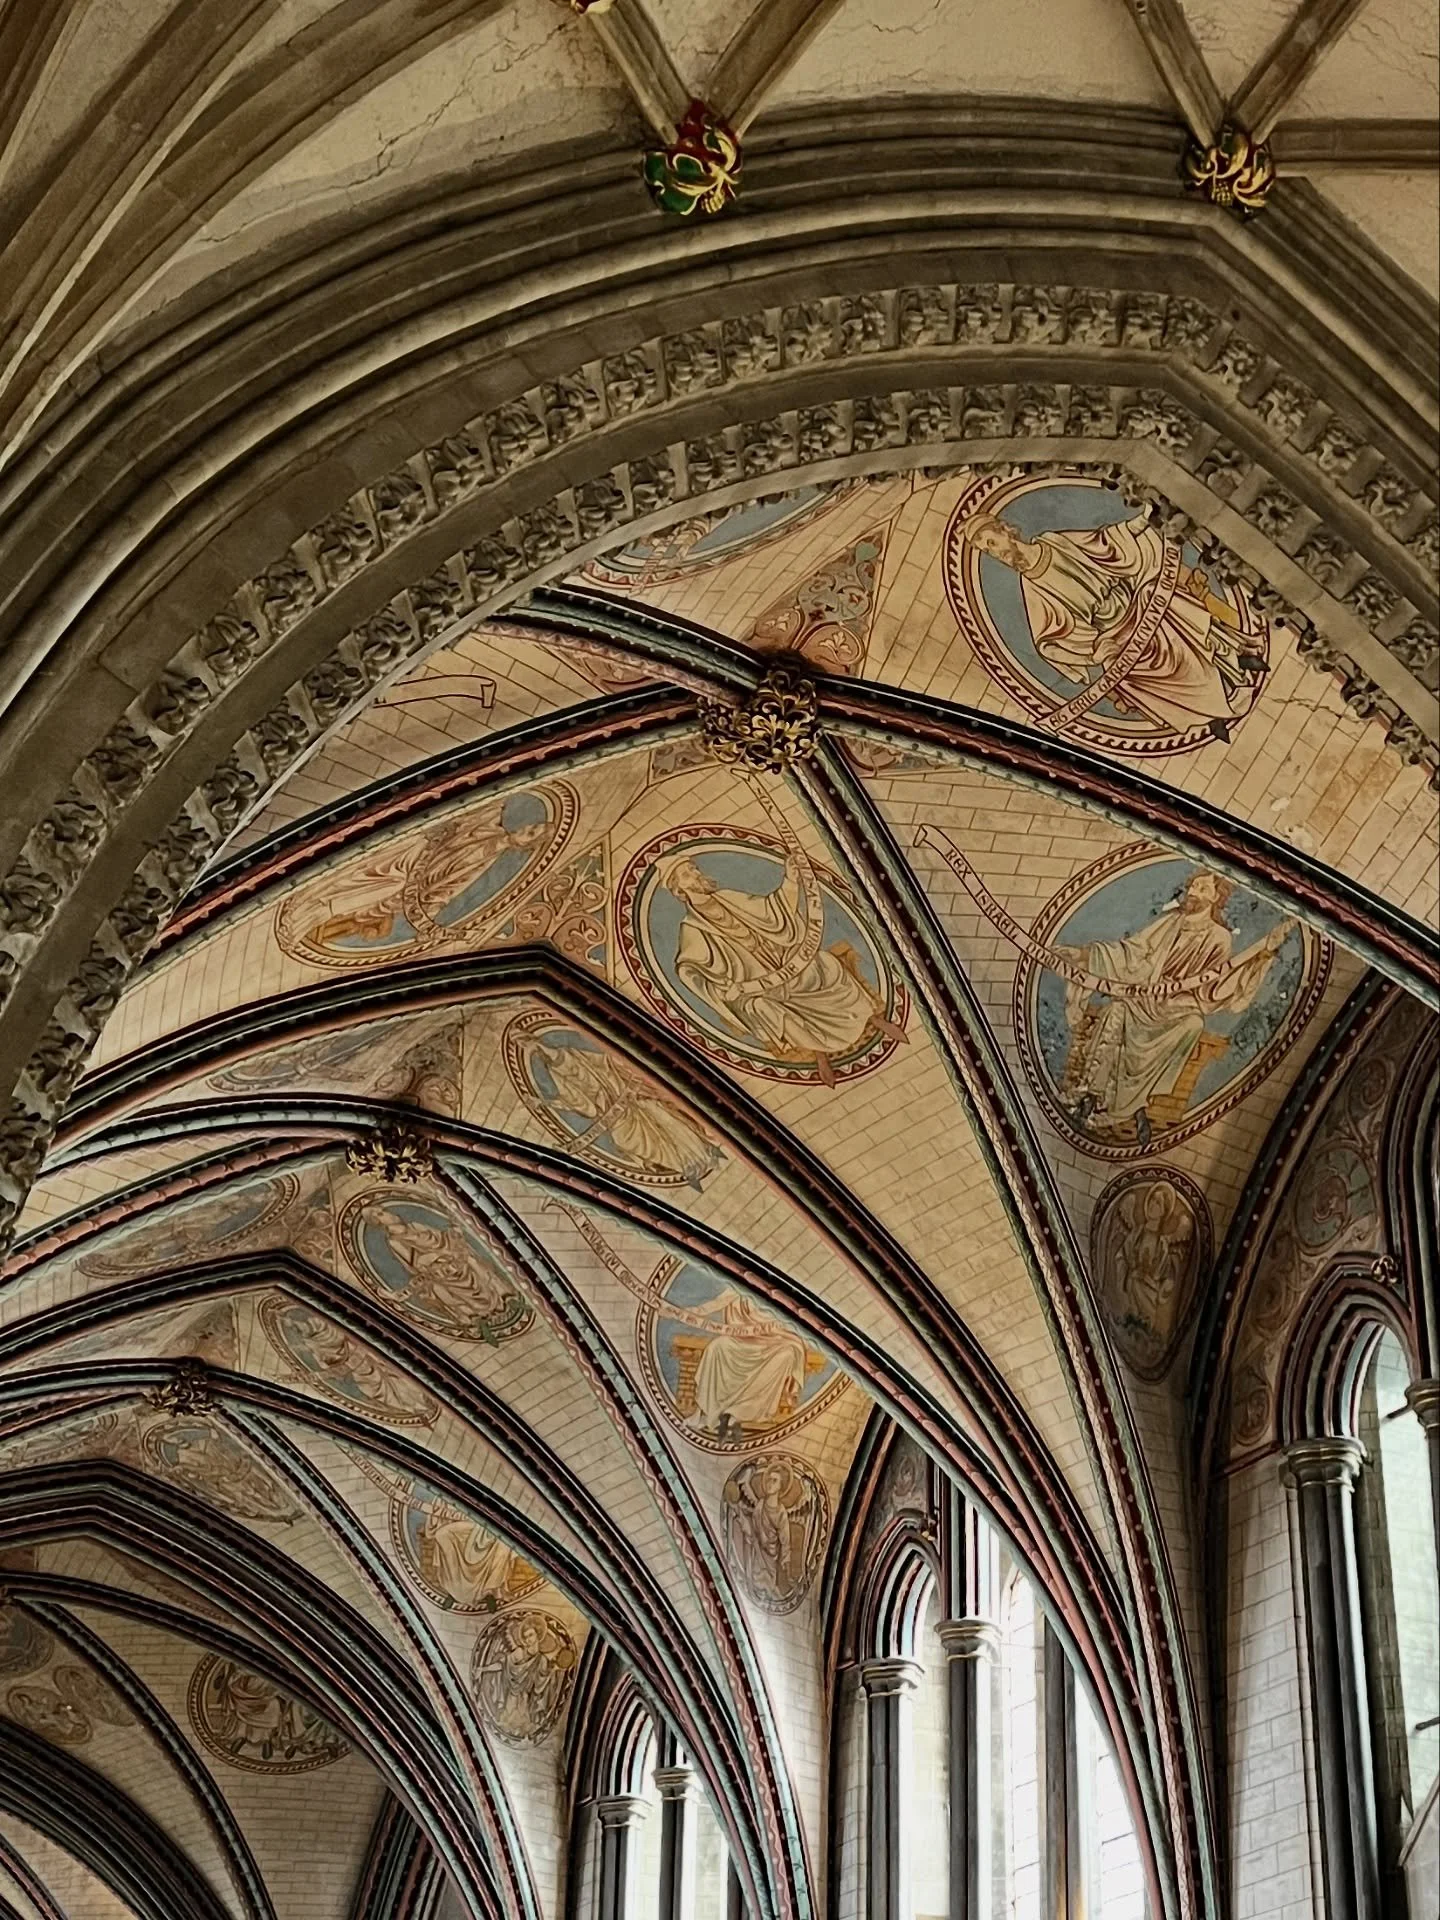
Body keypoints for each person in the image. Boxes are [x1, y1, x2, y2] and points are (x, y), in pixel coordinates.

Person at [960, 510, 1267, 740]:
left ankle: (1234, 661)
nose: (995, 551)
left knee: (1158, 598)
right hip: (1112, 633)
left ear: (1005, 529)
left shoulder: (1053, 542)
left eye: (992, 541)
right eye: (987, 550)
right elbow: (1048, 642)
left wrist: (1142, 519)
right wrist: (1095, 652)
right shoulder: (1031, 587)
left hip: (1134, 604)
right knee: (1123, 672)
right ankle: (1212, 714)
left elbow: (1104, 543)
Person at [1056, 871, 1294, 1146]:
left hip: (1178, 1007)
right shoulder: (1169, 923)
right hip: (1145, 996)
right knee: (1116, 1010)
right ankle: (1090, 1092)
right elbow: (1132, 953)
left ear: (1216, 898)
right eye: (1192, 886)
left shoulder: (1220, 938)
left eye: (1203, 888)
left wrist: (1262, 956)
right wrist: (1087, 955)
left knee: (1193, 1024)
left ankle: (1128, 1105)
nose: (1193, 892)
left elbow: (1213, 989)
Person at [659, 853, 902, 1086]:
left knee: (825, 963)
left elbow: (771, 911)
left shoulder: (727, 896)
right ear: (679, 890)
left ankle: (869, 1015)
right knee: (762, 1007)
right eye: (687, 874)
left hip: (782, 961)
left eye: (693, 868)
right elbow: (688, 969)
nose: (695, 873)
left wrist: (790, 880)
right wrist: (724, 989)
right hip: (755, 985)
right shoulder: (691, 929)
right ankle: (818, 1050)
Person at [528, 1035, 723, 1186]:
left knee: (661, 1116)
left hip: (633, 1101)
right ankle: (682, 1162)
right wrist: (546, 1103)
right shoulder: (560, 1075)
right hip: (617, 1116)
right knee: (625, 1140)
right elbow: (578, 1103)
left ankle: (694, 1153)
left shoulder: (581, 1060)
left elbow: (602, 1064)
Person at [689, 1290, 810, 1438]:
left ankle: (741, 1411)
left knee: (787, 1354)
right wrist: (690, 1313)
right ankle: (709, 1410)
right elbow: (716, 1303)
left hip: (773, 1342)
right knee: (716, 1346)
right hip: (741, 1340)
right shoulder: (739, 1286)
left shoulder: (782, 1292)